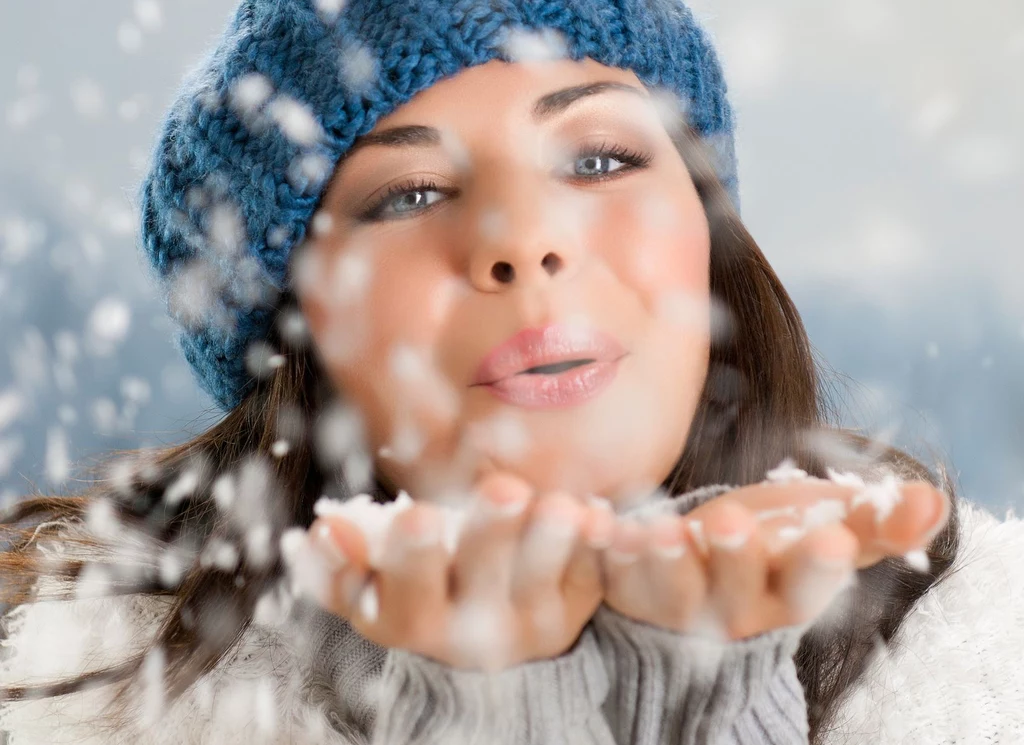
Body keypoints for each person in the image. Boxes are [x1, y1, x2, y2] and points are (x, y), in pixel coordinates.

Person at [0, 0, 1020, 743]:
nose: (525, 242)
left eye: (602, 159)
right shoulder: (65, 696)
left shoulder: (989, 662)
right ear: (299, 334)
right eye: (406, 194)